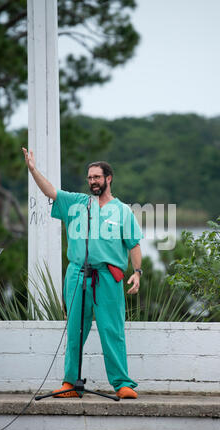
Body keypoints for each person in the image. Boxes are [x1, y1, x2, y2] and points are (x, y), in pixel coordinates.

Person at [22, 148, 143, 399]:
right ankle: (70, 383)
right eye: (89, 178)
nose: (92, 182)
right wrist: (33, 169)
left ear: (109, 179)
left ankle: (122, 383)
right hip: (77, 274)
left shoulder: (123, 211)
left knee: (112, 330)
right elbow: (49, 191)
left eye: (97, 177)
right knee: (76, 328)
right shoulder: (76, 202)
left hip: (108, 277)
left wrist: (137, 272)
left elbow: (134, 245)